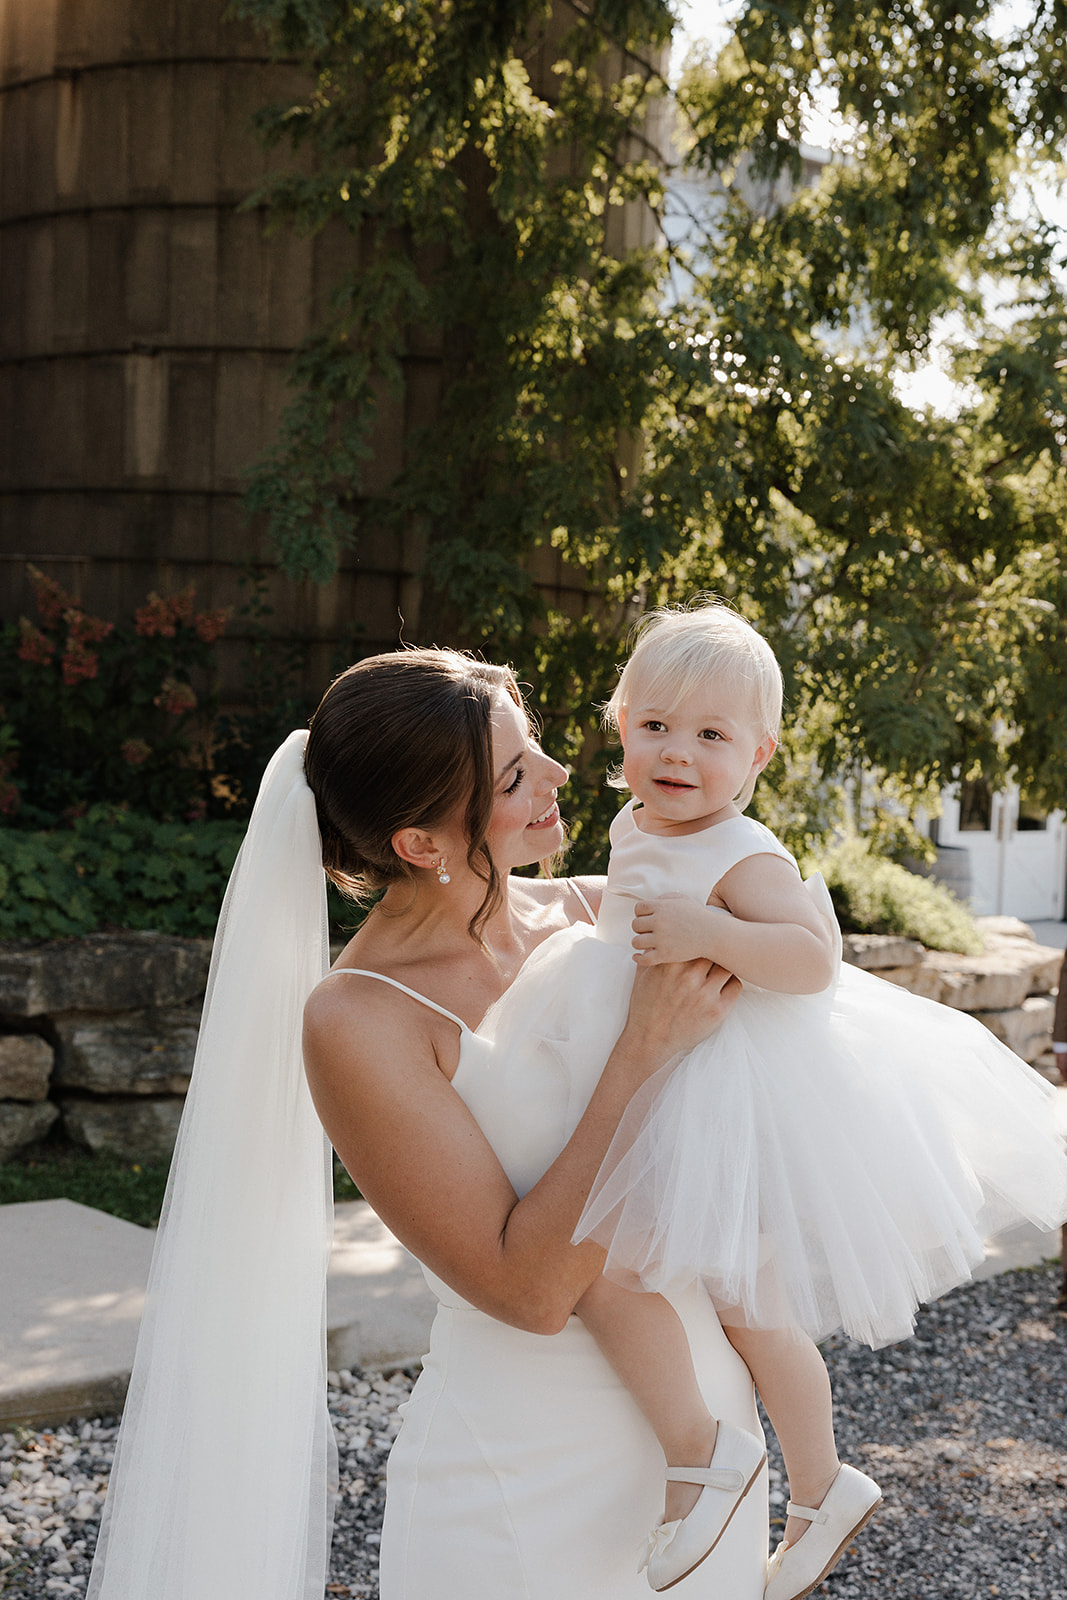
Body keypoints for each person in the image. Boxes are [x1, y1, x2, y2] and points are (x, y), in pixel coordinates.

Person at [87, 645, 767, 1600]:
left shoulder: (604, 912)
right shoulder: (360, 1018)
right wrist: (641, 1057)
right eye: (517, 774)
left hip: (707, 1448)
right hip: (522, 1482)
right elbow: (527, 1293)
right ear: (421, 843)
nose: (562, 776)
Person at [483, 602, 1067, 1598]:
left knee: (712, 1295)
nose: (678, 752)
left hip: (722, 1094)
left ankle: (760, 1470)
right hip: (661, 1075)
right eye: (656, 725)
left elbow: (809, 958)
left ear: (758, 751)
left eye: (711, 736)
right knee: (678, 1281)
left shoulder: (740, 851)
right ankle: (805, 1482)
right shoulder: (638, 820)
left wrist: (709, 932)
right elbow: (620, 899)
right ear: (619, 724)